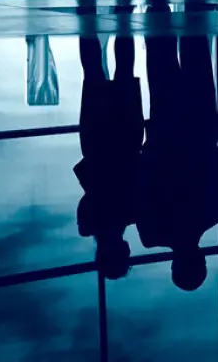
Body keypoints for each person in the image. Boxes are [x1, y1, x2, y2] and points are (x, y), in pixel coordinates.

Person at [136, 36, 218, 291]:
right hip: (165, 131)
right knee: (161, 55)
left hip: (200, 130)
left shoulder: (211, 214)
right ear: (174, 264)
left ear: (201, 259)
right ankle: (158, 2)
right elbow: (141, 180)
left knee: (195, 50)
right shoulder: (151, 231)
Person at [73, 36, 144, 280]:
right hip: (96, 145)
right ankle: (89, 23)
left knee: (123, 70)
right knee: (93, 73)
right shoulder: (88, 222)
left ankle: (122, 16)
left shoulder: (135, 212)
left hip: (127, 141)